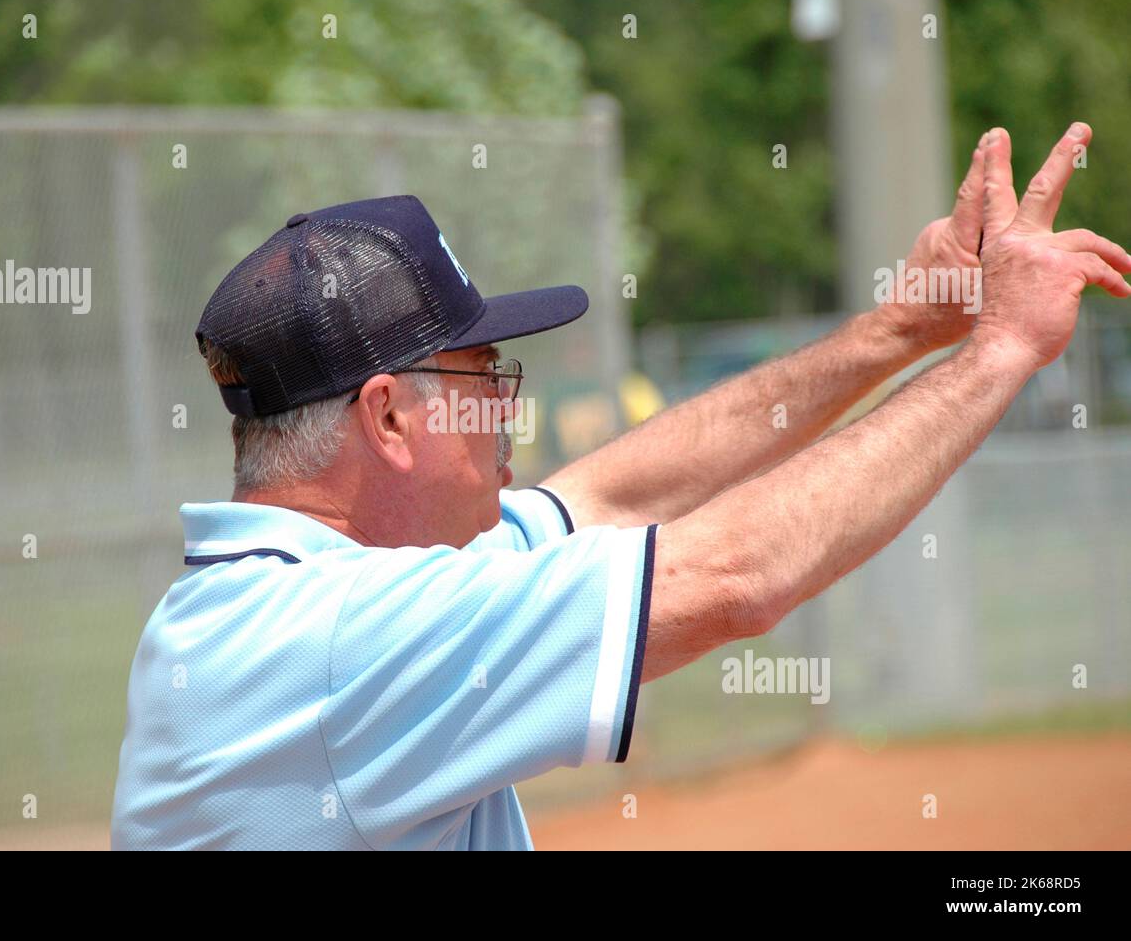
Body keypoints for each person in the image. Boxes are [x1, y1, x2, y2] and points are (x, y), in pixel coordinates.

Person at [111, 126, 1131, 850]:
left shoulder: (298, 594)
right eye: (482, 377)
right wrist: (999, 352)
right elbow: (737, 574)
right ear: (385, 419)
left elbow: (617, 495)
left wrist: (903, 330)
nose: (511, 411)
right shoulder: (338, 637)